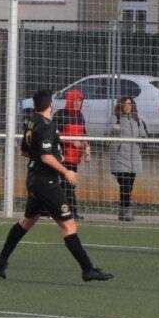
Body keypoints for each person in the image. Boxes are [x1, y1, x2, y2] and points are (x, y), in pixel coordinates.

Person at [0, 90, 112, 282]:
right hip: (46, 182)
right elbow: (46, 156)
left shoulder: (32, 122)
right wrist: (66, 171)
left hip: (34, 178)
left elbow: (25, 151)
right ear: (50, 105)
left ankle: (2, 258)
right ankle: (88, 270)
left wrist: (48, 157)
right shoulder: (46, 125)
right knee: (69, 224)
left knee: (27, 221)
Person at [110, 96, 147, 221]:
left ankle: (122, 212)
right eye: (125, 104)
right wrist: (114, 129)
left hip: (134, 158)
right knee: (125, 185)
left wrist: (142, 136)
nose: (128, 106)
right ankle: (127, 212)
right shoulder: (115, 118)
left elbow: (143, 135)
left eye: (130, 104)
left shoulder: (137, 120)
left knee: (128, 187)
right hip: (120, 158)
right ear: (121, 105)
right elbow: (107, 132)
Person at [55, 88, 90, 220]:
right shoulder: (61, 115)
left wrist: (87, 149)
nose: (77, 103)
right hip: (63, 156)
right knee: (66, 184)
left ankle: (69, 211)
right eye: (75, 100)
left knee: (70, 184)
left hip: (75, 157)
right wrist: (70, 140)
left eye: (80, 101)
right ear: (69, 100)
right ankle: (69, 211)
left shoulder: (80, 116)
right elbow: (54, 134)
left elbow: (84, 135)